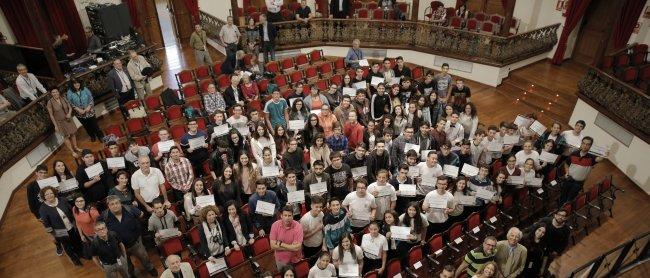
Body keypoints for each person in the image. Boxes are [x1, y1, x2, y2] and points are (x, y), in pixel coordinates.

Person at [100, 195, 157, 277]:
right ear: (108, 206)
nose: (115, 205)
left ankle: (150, 268)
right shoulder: (104, 216)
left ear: (120, 203)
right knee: (127, 263)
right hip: (119, 247)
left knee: (144, 257)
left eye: (116, 203)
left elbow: (141, 214)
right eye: (112, 204)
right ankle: (132, 274)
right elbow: (98, 226)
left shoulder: (129, 208)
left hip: (135, 242)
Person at [39, 186, 83, 266]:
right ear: (43, 196)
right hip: (59, 231)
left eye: (51, 193)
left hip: (71, 226)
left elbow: (70, 210)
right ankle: (74, 259)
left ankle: (80, 254)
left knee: (75, 241)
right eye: (46, 194)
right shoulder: (43, 209)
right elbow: (46, 223)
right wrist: (53, 236)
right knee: (67, 246)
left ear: (54, 193)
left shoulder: (62, 200)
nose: (49, 195)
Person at [561, 136, 606, 204]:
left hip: (578, 183)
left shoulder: (592, 157)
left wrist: (604, 155)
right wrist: (567, 172)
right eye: (583, 143)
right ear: (581, 144)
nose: (585, 146)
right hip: (568, 179)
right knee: (563, 196)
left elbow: (599, 159)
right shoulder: (574, 154)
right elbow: (566, 164)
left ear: (590, 146)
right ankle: (558, 210)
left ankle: (564, 211)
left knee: (570, 199)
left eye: (587, 144)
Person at [46, 87, 80, 157]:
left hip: (68, 119)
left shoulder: (63, 98)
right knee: (65, 136)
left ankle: (76, 147)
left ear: (58, 92)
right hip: (60, 122)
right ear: (51, 94)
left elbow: (69, 107)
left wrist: (69, 113)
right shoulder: (50, 103)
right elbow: (51, 115)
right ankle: (72, 151)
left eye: (56, 91)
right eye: (53, 92)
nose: (55, 93)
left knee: (73, 133)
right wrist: (55, 125)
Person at [300, 195, 325, 260]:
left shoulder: (321, 214)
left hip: (320, 244)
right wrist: (316, 230)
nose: (319, 209)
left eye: (320, 207)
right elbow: (302, 237)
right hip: (309, 247)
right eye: (316, 207)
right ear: (311, 206)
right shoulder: (305, 219)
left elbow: (322, 229)